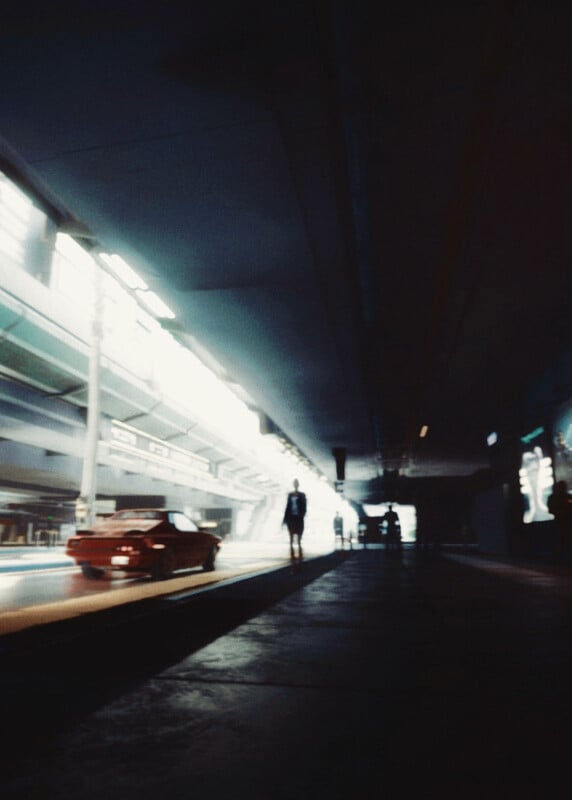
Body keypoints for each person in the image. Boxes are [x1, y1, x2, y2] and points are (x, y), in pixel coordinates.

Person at [283, 479, 307, 567]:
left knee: (299, 541)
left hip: (299, 519)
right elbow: (287, 507)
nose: (295, 484)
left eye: (296, 483)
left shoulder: (302, 495)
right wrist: (284, 520)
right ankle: (293, 559)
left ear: (298, 484)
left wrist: (302, 515)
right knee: (291, 540)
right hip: (291, 519)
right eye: (294, 483)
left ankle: (300, 559)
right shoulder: (290, 495)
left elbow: (304, 507)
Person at [547, 480, 572, 561]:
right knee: (561, 539)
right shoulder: (553, 497)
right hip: (560, 522)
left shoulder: (568, 496)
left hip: (567, 522)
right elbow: (551, 509)